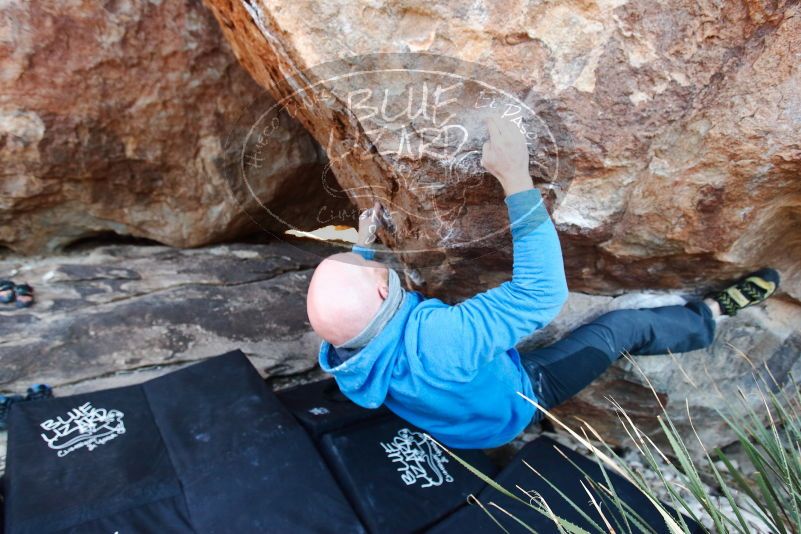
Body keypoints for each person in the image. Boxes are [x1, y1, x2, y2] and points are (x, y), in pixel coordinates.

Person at [305, 116, 780, 449]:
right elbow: (540, 293)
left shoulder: (348, 360)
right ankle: (711, 315)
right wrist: (516, 179)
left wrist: (364, 249)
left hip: (458, 428)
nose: (366, 258)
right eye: (366, 266)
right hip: (520, 399)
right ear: (384, 292)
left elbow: (354, 306)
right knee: (620, 328)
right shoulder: (441, 342)